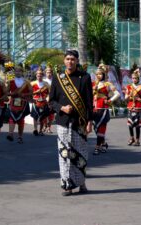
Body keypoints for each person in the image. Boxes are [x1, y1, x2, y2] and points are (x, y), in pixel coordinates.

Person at [48, 49, 93, 196]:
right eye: (67, 59)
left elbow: (89, 102)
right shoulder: (58, 78)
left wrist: (90, 121)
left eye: (73, 59)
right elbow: (51, 101)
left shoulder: (85, 77)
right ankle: (67, 185)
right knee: (65, 154)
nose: (70, 61)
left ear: (77, 61)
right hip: (63, 122)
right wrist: (62, 108)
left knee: (80, 154)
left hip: (80, 122)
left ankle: (81, 183)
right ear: (64, 61)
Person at [92, 64, 120, 155]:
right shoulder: (93, 84)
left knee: (101, 128)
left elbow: (117, 94)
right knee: (96, 128)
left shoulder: (108, 84)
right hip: (94, 108)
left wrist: (110, 100)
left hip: (103, 108)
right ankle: (103, 144)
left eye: (100, 74)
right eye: (97, 74)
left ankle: (97, 147)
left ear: (104, 74)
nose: (98, 75)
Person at [6, 66, 32, 144]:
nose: (18, 72)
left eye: (19, 71)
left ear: (22, 72)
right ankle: (10, 134)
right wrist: (12, 94)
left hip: (23, 103)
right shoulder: (10, 82)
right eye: (16, 71)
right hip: (13, 103)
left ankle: (20, 137)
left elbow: (31, 92)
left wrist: (24, 94)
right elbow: (6, 92)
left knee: (21, 120)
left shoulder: (27, 82)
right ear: (14, 72)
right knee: (11, 118)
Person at [125, 69, 141, 146]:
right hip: (131, 107)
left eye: (136, 78)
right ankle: (131, 138)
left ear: (138, 79)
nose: (134, 79)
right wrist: (129, 95)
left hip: (138, 107)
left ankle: (137, 140)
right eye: (133, 78)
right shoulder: (129, 87)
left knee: (137, 125)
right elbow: (125, 97)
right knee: (130, 124)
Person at [31, 67, 50, 136]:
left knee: (42, 117)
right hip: (35, 102)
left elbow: (49, 93)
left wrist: (48, 99)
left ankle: (40, 130)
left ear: (43, 75)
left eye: (41, 75)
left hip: (44, 102)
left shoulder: (46, 84)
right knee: (35, 116)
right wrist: (33, 96)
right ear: (36, 75)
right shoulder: (32, 83)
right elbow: (30, 93)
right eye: (38, 75)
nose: (39, 76)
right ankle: (35, 129)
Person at [43, 65, 55, 133]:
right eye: (47, 72)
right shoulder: (43, 81)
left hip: (52, 100)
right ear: (45, 73)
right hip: (44, 100)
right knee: (45, 114)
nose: (49, 73)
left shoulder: (54, 80)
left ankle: (49, 127)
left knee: (51, 115)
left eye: (50, 72)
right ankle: (45, 125)